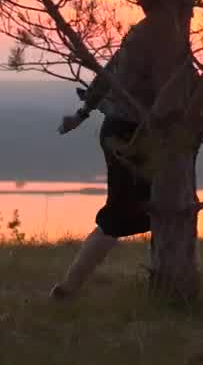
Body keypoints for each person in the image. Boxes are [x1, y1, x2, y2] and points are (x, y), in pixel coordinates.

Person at [49, 20, 158, 300]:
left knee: (161, 208)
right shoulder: (161, 36)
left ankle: (170, 282)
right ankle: (68, 290)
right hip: (128, 134)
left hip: (135, 133)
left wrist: (81, 114)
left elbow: (105, 76)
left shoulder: (145, 32)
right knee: (124, 212)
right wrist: (81, 114)